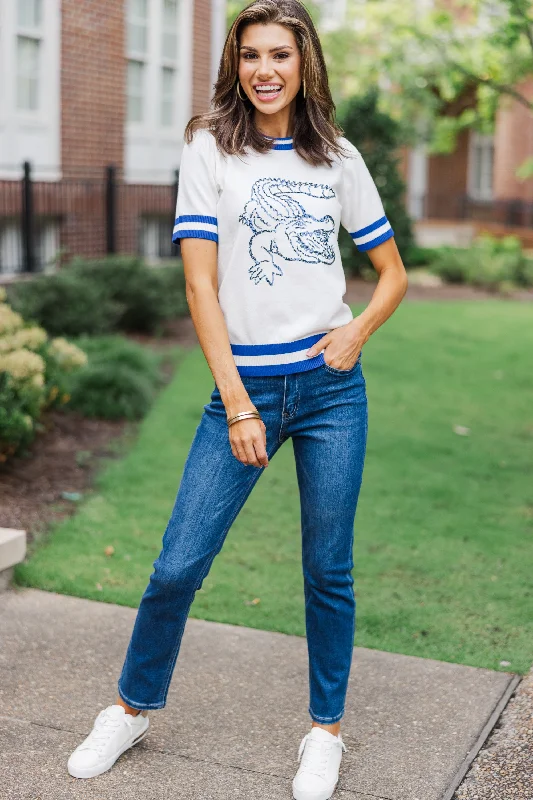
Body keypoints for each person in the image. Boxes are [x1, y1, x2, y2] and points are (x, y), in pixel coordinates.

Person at [67, 1, 408, 797]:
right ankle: (130, 707)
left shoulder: (338, 158)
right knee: (178, 564)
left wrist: (356, 333)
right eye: (251, 54)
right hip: (242, 391)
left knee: (328, 568)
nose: (265, 70)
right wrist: (240, 402)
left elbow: (391, 274)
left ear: (303, 64)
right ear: (235, 63)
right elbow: (198, 283)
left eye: (280, 55)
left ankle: (324, 732)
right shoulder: (208, 148)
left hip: (331, 394)